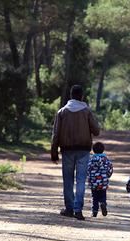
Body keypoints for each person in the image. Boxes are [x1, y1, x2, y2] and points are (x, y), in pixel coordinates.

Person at [51, 85, 100, 220]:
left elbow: (55, 134)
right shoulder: (87, 111)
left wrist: (53, 152)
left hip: (67, 151)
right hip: (83, 150)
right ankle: (78, 210)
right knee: (81, 181)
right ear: (82, 96)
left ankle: (69, 209)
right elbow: (96, 131)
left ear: (70, 96)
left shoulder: (61, 112)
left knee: (68, 181)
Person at [87, 142, 113, 217]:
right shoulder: (106, 159)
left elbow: (87, 169)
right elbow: (110, 169)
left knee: (94, 197)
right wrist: (107, 176)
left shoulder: (91, 159)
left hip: (93, 182)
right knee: (103, 195)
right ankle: (103, 203)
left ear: (93, 150)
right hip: (103, 182)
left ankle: (94, 211)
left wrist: (89, 177)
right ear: (103, 150)